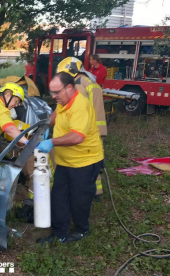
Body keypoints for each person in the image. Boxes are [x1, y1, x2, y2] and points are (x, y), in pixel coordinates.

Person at [36, 72, 104, 244]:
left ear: (69, 88)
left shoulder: (80, 106)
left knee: (79, 199)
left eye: (56, 92)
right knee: (59, 197)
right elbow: (56, 113)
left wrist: (51, 141)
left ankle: (82, 230)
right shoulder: (64, 101)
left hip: (84, 162)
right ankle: (59, 233)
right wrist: (46, 126)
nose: (53, 96)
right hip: (65, 162)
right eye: (51, 92)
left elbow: (77, 137)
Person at [57, 57, 107, 201]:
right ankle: (97, 192)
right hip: (98, 129)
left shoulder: (78, 84)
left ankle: (82, 193)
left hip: (86, 130)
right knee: (93, 160)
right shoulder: (91, 81)